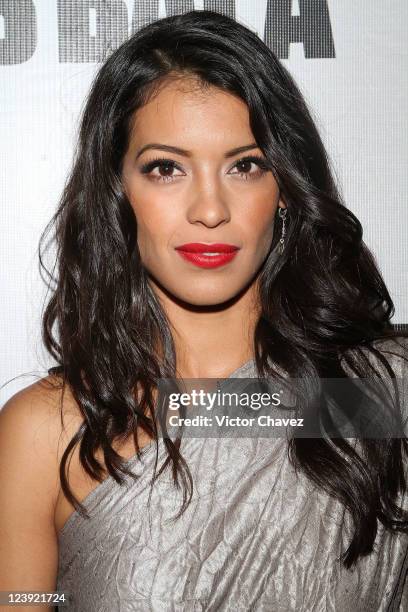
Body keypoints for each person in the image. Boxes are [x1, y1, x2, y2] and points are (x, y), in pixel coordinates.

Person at [0, 9, 407, 611]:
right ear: (118, 193)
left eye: (246, 166)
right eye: (166, 168)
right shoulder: (47, 433)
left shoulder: (380, 394)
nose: (210, 208)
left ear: (286, 191)